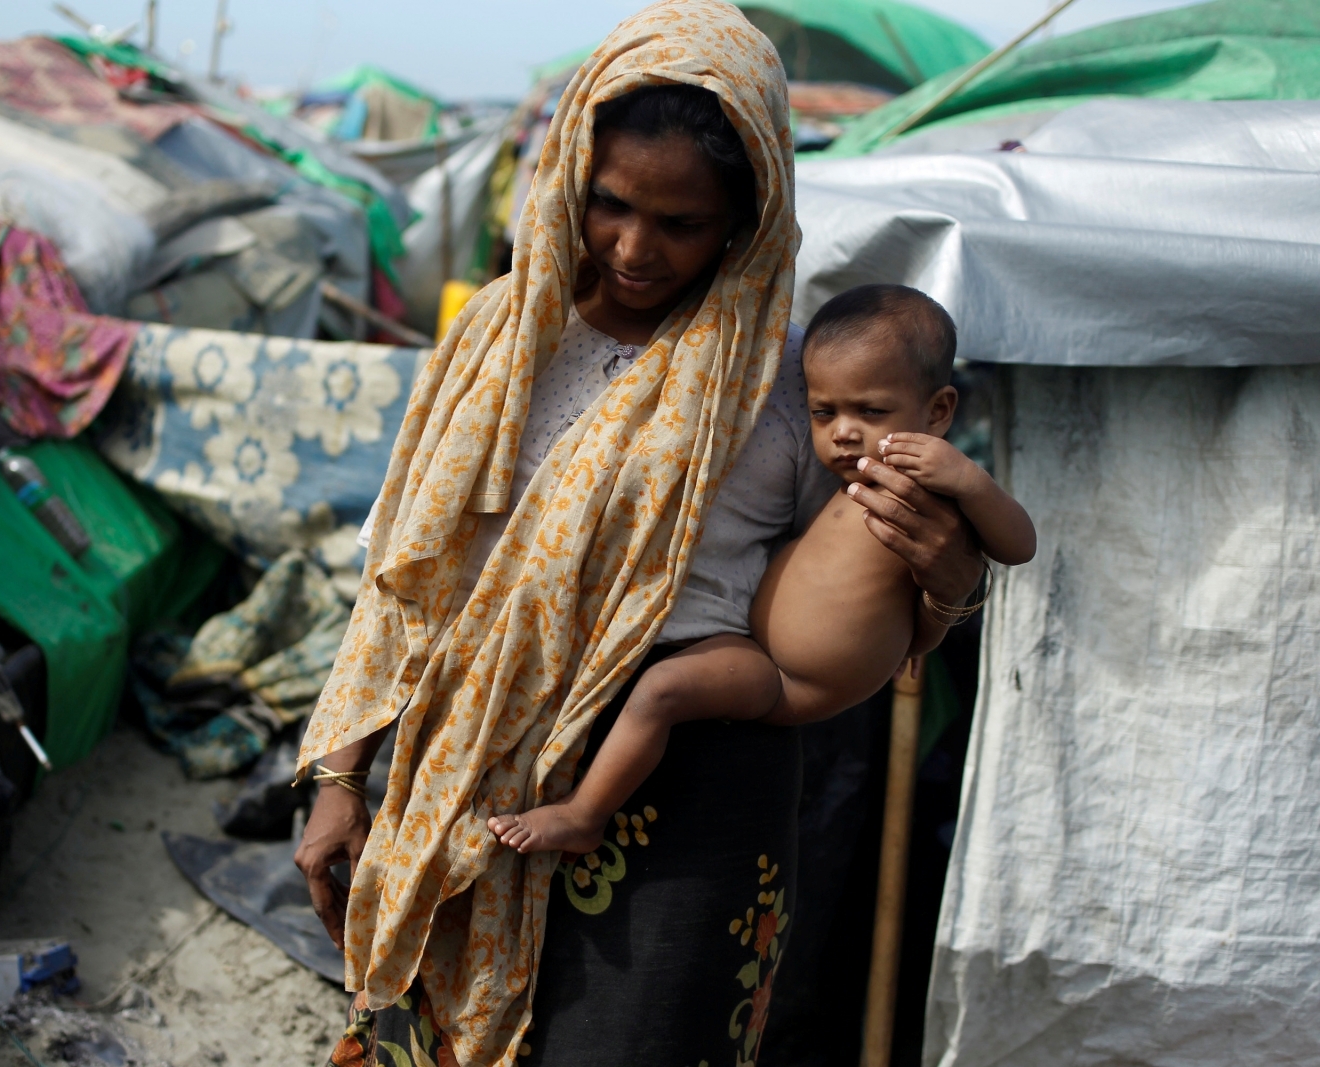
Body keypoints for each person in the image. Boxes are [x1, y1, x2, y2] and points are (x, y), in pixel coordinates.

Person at [295, 4, 988, 1064]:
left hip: (693, 785)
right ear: (569, 172)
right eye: (608, 204)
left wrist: (947, 584)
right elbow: (402, 579)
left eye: (681, 223)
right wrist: (341, 780)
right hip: (469, 773)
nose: (631, 247)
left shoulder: (795, 385)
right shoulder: (497, 337)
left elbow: (848, 595)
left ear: (745, 220)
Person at [487, 284, 1036, 856]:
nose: (844, 431)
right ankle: (585, 810)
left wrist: (969, 479)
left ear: (940, 410)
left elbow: (1017, 546)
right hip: (753, 650)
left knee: (662, 689)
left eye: (870, 411)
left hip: (791, 684)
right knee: (659, 691)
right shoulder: (846, 479)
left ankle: (583, 815)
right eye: (824, 412)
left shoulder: (935, 487)